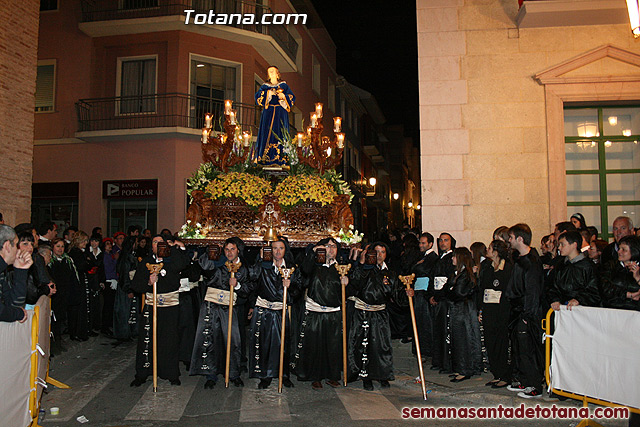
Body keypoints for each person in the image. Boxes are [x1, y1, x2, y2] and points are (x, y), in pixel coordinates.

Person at [190, 238, 253, 389]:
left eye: (232, 249)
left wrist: (237, 285)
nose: (229, 253)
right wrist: (211, 250)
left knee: (233, 342)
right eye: (226, 249)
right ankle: (211, 374)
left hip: (231, 308)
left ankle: (233, 374)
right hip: (212, 307)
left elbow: (248, 289)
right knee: (211, 339)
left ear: (238, 250)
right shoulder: (217, 262)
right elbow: (204, 266)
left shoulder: (243, 268)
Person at [130, 235, 190, 387]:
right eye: (155, 242)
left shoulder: (173, 260)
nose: (158, 245)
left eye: (161, 242)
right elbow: (136, 285)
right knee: (147, 339)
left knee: (170, 340)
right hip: (152, 305)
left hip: (169, 306)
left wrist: (177, 248)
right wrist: (148, 282)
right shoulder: (146, 262)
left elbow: (183, 264)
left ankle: (170, 373)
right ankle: (143, 372)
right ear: (152, 246)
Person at [293, 237, 346, 390]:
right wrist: (314, 252)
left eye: (334, 246)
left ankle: (332, 375)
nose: (331, 249)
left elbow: (349, 291)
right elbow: (304, 270)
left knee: (333, 345)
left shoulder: (341, 268)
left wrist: (346, 282)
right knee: (314, 345)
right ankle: (315, 376)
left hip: (333, 312)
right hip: (315, 311)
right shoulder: (314, 266)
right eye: (327, 246)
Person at [248, 237, 302, 389]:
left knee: (283, 345)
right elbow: (252, 279)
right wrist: (259, 259)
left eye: (281, 248)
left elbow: (298, 290)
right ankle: (265, 376)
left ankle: (283, 375)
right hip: (264, 310)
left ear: (286, 250)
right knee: (264, 344)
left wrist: (290, 286)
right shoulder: (263, 266)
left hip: (280, 310)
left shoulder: (291, 268)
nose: (278, 252)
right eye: (274, 248)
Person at [348, 242, 396, 390]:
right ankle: (365, 376)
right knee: (364, 345)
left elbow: (394, 294)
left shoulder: (390, 272)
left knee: (382, 346)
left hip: (380, 313)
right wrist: (362, 265)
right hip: (363, 312)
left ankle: (382, 375)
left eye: (382, 252)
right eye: (377, 252)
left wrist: (406, 294)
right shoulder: (364, 270)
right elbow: (354, 284)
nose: (379, 255)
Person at [506, 223, 544, 399]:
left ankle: (535, 385)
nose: (509, 241)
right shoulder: (519, 259)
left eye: (511, 237)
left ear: (520, 239)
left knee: (528, 349)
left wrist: (527, 316)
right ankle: (523, 380)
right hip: (516, 311)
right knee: (519, 349)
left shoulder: (532, 262)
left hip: (526, 313)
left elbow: (532, 291)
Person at [478, 240, 512, 389]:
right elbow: (482, 288)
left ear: (496, 251)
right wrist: (480, 309)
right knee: (490, 342)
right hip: (488, 310)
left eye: (490, 248)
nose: (488, 250)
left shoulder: (508, 268)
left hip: (501, 311)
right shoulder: (487, 267)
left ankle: (505, 375)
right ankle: (496, 373)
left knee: (501, 343)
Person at [446, 247, 482, 382]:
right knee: (457, 340)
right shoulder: (458, 274)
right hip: (458, 310)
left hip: (463, 312)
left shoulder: (465, 275)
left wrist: (450, 290)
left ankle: (465, 369)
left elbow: (458, 293)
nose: (452, 258)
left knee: (464, 340)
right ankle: (460, 367)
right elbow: (448, 290)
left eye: (454, 256)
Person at [252, 65, 295, 167]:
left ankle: (281, 157)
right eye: (269, 72)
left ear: (277, 73)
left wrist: (283, 97)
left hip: (280, 113)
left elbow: (292, 98)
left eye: (273, 71)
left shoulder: (284, 86)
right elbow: (258, 97)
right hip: (268, 112)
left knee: (280, 133)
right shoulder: (265, 87)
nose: (271, 73)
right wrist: (268, 94)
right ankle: (264, 157)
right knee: (267, 133)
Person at [546, 231, 600, 311]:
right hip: (563, 311)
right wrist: (555, 300)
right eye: (559, 245)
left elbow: (594, 291)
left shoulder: (588, 267)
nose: (559, 248)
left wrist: (579, 300)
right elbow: (553, 287)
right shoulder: (560, 265)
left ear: (574, 245)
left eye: (562, 245)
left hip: (583, 312)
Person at [428, 232, 456, 373]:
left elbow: (450, 281)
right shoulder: (439, 259)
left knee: (446, 332)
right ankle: (438, 361)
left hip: (445, 301)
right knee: (437, 331)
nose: (443, 243)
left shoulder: (452, 259)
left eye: (446, 240)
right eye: (441, 240)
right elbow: (432, 279)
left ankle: (446, 363)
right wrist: (431, 295)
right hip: (437, 300)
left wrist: (438, 296)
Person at [411, 232, 439, 359]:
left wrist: (417, 266)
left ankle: (427, 351)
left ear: (430, 244)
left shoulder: (433, 257)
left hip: (424, 293)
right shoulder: (422, 256)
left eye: (423, 243)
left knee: (426, 323)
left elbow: (423, 271)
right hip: (418, 292)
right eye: (420, 243)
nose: (420, 245)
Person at [598, 236, 640, 310]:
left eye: (624, 250)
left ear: (634, 251)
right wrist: (628, 295)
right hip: (613, 308)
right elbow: (604, 288)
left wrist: (637, 277)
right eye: (619, 248)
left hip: (635, 311)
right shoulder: (610, 266)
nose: (619, 252)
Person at [0, 224, 32, 322]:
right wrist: (18, 314)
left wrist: (20, 271)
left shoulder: (1, 271)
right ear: (7, 246)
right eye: (16, 245)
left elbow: (14, 304)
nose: (18, 250)